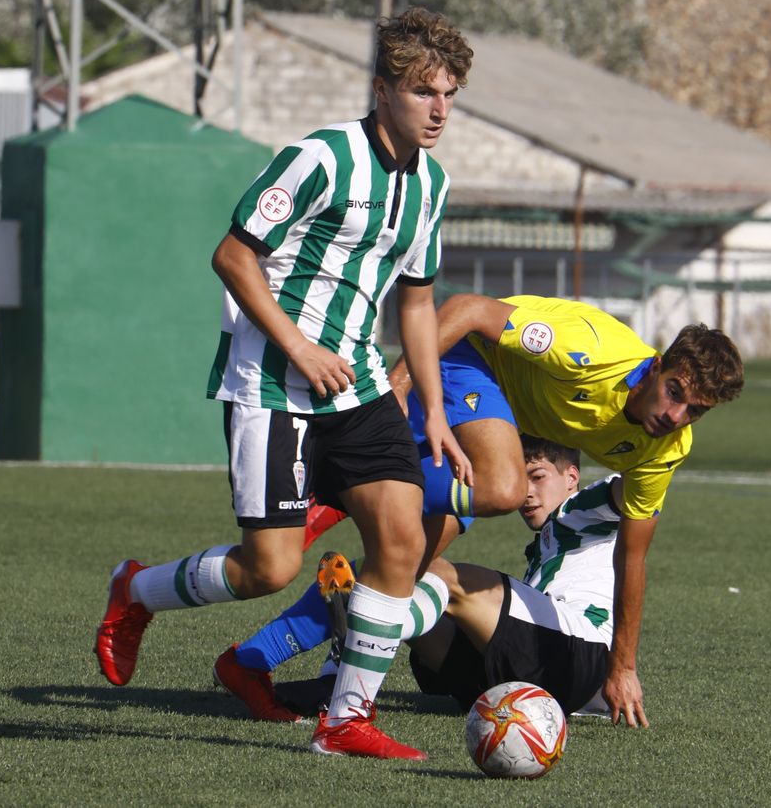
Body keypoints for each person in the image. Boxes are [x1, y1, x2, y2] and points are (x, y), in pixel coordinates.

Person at [93, 7, 475, 761]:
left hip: (359, 384)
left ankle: (345, 721)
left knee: (401, 540)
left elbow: (420, 302)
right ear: (382, 90)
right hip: (273, 381)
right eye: (423, 92)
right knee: (270, 568)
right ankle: (135, 590)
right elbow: (233, 255)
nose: (438, 110)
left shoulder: (431, 185)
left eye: (451, 94)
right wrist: (299, 347)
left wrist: (433, 408)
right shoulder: (322, 157)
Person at [309, 293, 744, 728]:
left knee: (422, 571)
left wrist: (624, 667)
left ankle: (344, 640)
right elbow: (471, 308)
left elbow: (632, 555)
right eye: (675, 392)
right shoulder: (588, 350)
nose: (676, 415)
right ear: (655, 369)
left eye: (696, 411)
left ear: (573, 476)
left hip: (569, 653)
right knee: (428, 554)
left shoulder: (635, 469)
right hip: (470, 361)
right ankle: (321, 651)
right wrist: (398, 386)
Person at [217, 436, 623, 721]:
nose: (526, 493)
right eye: (523, 480)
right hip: (520, 682)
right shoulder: (547, 546)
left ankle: (272, 655)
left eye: (537, 477)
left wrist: (644, 452)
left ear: (572, 477)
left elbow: (630, 493)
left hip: (581, 656)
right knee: (393, 581)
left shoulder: (580, 510)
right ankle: (333, 682)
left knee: (433, 575)